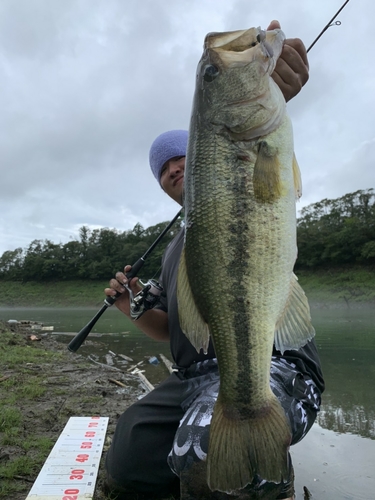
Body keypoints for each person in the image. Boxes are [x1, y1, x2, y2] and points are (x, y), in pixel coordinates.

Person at [104, 21, 324, 500]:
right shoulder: (173, 251)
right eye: (163, 171)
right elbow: (170, 330)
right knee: (129, 455)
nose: (173, 170)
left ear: (203, 153)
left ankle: (256, 474)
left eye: (180, 158)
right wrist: (130, 305)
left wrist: (273, 88)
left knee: (207, 451)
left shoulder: (249, 165)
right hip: (199, 373)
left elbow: (263, 162)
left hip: (274, 362)